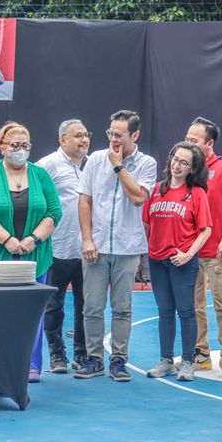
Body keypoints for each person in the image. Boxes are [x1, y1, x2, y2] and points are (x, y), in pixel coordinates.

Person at [0, 122, 62, 383]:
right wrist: (7, 239)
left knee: (31, 312)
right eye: (14, 145)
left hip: (34, 258)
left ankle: (31, 364)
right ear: (2, 147)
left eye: (25, 145)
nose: (20, 150)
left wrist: (34, 238)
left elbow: (54, 212)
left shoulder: (40, 175)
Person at [74, 110, 157, 382]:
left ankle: (119, 359)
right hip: (96, 246)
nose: (113, 139)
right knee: (92, 307)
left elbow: (137, 198)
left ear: (135, 135)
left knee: (122, 307)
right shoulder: (96, 159)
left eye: (119, 135)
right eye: (110, 133)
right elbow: (85, 200)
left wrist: (119, 166)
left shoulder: (146, 163)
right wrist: (87, 238)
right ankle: (94, 358)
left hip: (127, 247)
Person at [143, 142, 211, 382]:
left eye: (184, 162)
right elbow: (147, 222)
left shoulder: (197, 193)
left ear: (192, 168)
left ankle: (188, 362)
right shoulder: (156, 190)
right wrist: (152, 249)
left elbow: (205, 230)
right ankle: (166, 361)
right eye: (175, 159)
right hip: (157, 260)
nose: (177, 165)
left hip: (182, 261)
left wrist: (188, 254)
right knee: (164, 312)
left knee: (186, 311)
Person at [36, 119, 90, 372]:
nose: (84, 140)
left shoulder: (96, 165)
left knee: (86, 305)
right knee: (54, 305)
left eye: (86, 135)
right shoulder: (46, 166)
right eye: (77, 135)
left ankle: (83, 353)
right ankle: (57, 354)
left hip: (88, 248)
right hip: (57, 247)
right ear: (62, 140)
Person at [185, 117, 222, 373]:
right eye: (187, 138)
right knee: (193, 305)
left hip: (218, 251)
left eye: (193, 141)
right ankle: (200, 352)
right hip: (191, 251)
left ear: (209, 143)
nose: (187, 143)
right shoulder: (186, 170)